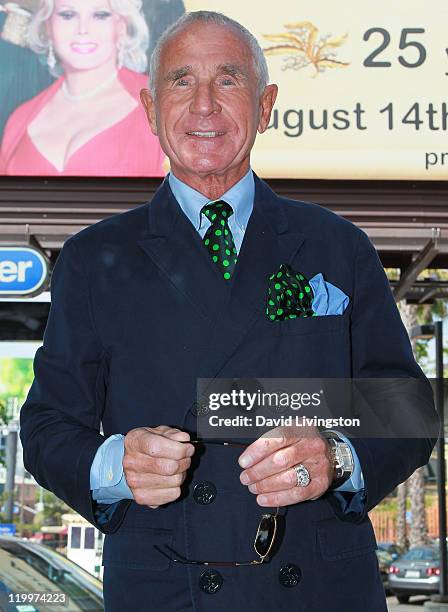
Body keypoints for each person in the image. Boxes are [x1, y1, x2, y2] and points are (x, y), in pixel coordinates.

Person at [20, 10, 438, 612]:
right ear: (149, 108)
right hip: (168, 587)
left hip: (317, 586)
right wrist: (115, 465)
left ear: (266, 105)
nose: (205, 105)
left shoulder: (337, 245)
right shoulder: (94, 258)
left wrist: (340, 457)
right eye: (182, 81)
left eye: (229, 80)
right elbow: (47, 428)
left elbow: (406, 406)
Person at [0, 0, 165, 176]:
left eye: (100, 15)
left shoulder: (164, 102)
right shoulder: (19, 119)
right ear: (48, 26)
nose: (82, 29)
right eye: (67, 15)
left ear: (122, 26)